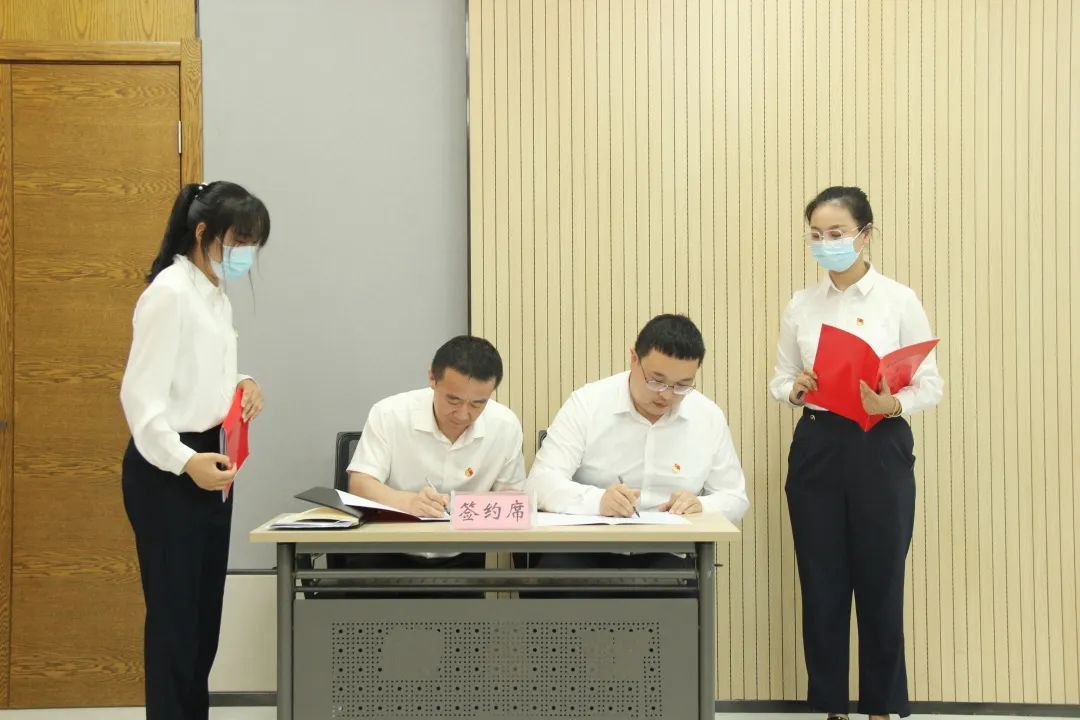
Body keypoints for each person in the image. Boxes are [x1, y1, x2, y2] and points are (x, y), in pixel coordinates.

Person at [770, 186, 943, 720]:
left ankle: (881, 707)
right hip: (818, 445)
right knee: (821, 581)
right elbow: (780, 379)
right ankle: (831, 706)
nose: (826, 243)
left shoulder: (899, 299)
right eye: (816, 235)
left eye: (837, 233)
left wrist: (892, 403)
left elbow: (931, 384)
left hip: (880, 443)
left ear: (865, 235)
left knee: (881, 579)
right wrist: (796, 388)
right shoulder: (802, 304)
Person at [120, 181, 270, 720]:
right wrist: (186, 461)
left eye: (253, 244)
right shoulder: (170, 292)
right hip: (169, 468)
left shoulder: (213, 291)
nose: (245, 254)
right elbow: (141, 401)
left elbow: (201, 371)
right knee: (175, 623)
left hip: (212, 460)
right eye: (239, 241)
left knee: (204, 618)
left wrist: (243, 381)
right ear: (203, 232)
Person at [525, 313, 748, 575]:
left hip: (667, 552)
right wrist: (598, 501)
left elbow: (735, 497)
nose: (666, 395)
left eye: (681, 386)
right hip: (585, 546)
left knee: (679, 587)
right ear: (634, 358)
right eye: (656, 380)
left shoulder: (707, 417)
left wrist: (701, 505)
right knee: (558, 578)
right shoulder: (588, 404)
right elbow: (540, 482)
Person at [346, 335, 526, 573]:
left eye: (477, 404)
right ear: (432, 378)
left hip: (462, 554)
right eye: (453, 400)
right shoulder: (390, 414)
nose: (463, 414)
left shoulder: (504, 425)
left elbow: (513, 502)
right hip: (386, 548)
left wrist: (463, 507)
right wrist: (408, 502)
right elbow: (360, 484)